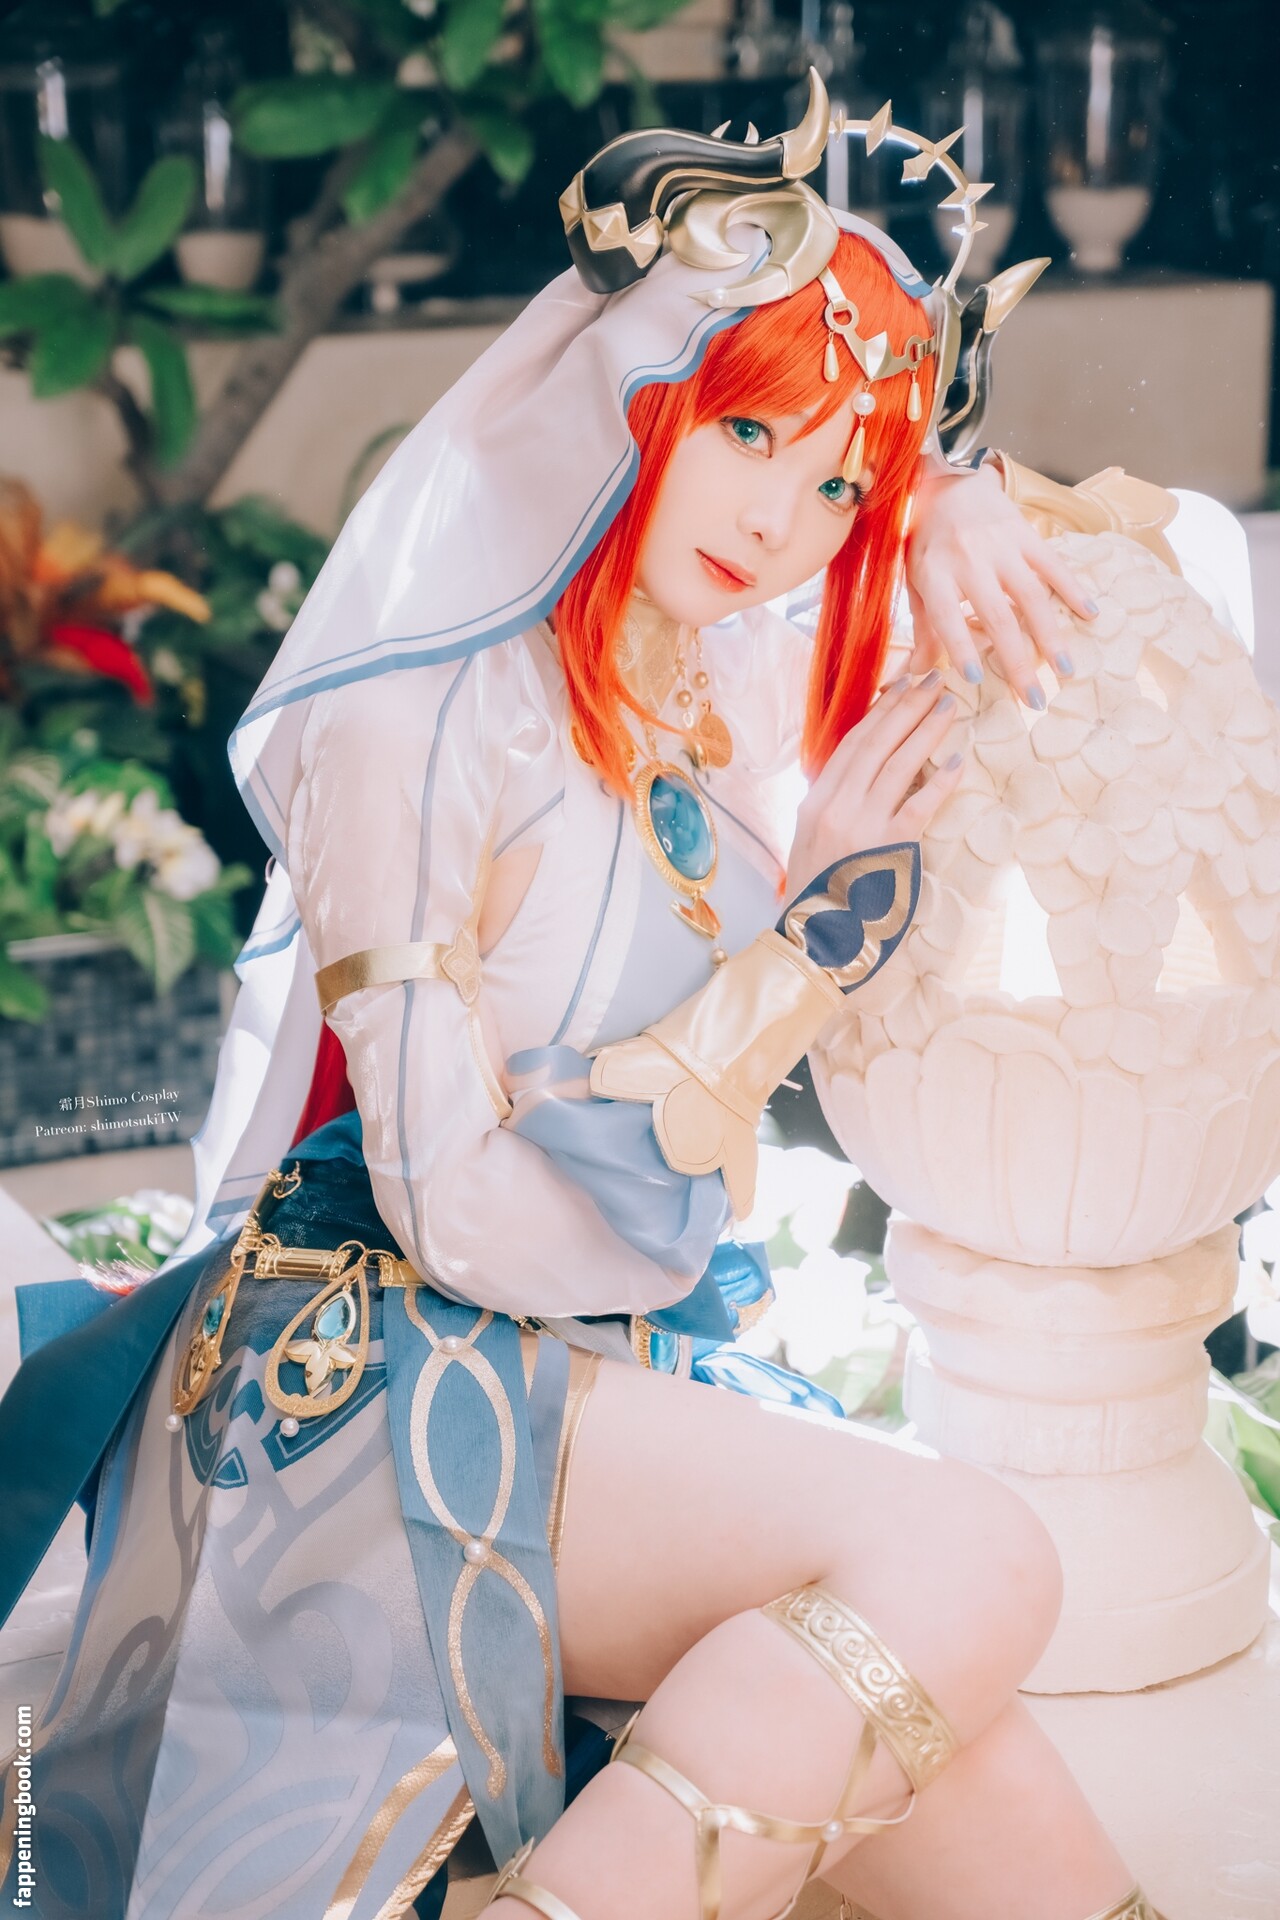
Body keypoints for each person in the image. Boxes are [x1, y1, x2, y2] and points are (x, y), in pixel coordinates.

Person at [0, 76, 1167, 1920]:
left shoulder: (703, 684)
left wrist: (940, 493)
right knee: (973, 1556)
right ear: (633, 388)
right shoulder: (413, 719)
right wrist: (790, 961)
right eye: (748, 429)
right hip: (357, 1381)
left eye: (833, 482)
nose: (782, 519)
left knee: (982, 1760)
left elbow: (940, 625)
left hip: (582, 1361)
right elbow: (455, 1210)